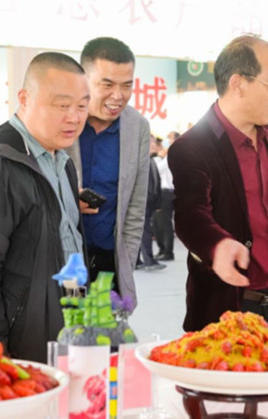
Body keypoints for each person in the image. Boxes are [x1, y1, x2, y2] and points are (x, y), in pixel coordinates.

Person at [0, 52, 88, 363]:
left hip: (64, 329)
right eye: (62, 105)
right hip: (18, 345)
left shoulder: (62, 161)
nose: (74, 117)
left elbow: (69, 249)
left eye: (82, 106)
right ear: (24, 99)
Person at [168, 35, 268, 338]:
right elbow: (190, 214)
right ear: (238, 84)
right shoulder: (193, 147)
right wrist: (217, 245)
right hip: (229, 308)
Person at [64, 37, 149, 311]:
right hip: (66, 260)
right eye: (107, 84)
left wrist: (126, 263)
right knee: (70, 324)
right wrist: (67, 200)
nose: (118, 96)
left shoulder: (137, 127)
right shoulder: (62, 119)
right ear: (83, 80)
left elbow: (135, 207)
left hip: (109, 263)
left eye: (127, 85)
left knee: (106, 331)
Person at [138, 136, 165, 271]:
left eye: (154, 142)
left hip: (150, 202)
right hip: (142, 202)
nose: (154, 145)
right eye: (151, 142)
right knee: (145, 231)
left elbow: (157, 182)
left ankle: (137, 260)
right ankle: (149, 260)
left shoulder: (151, 160)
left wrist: (158, 203)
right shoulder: (140, 161)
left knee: (143, 230)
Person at [154, 131, 178, 261]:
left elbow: (157, 170)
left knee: (165, 223)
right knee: (158, 223)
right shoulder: (164, 157)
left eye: (169, 138)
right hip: (161, 192)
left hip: (167, 192)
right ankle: (162, 249)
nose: (166, 141)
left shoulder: (172, 156)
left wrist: (159, 156)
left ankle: (168, 251)